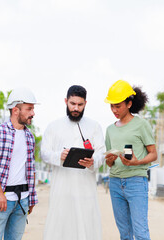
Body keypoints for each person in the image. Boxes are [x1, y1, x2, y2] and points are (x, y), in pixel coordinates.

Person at [41, 85, 106, 240]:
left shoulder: (94, 126)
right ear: (66, 101)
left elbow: (102, 153)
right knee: (59, 227)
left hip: (86, 190)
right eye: (72, 104)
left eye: (80, 104)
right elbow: (44, 153)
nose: (76, 108)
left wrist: (92, 161)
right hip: (61, 190)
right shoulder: (53, 126)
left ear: (85, 103)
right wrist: (59, 156)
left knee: (86, 227)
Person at [0, 87, 38, 240]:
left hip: (22, 200)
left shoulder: (30, 137)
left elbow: (30, 168)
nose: (33, 113)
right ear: (15, 110)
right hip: (1, 199)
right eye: (29, 109)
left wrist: (31, 198)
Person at [104, 80, 157, 240]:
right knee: (124, 233)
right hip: (115, 183)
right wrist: (110, 159)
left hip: (136, 182)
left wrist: (136, 162)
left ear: (129, 104)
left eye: (118, 106)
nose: (114, 110)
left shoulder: (141, 125)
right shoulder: (110, 129)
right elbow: (109, 162)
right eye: (111, 106)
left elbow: (153, 154)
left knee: (140, 232)